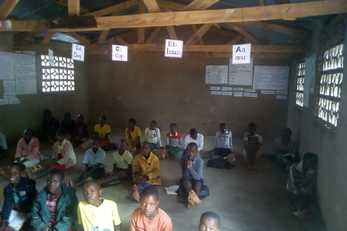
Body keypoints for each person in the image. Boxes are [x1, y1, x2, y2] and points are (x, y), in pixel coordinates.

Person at [0, 163, 36, 231]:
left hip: (28, 212)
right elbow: (7, 204)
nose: (12, 175)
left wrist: (30, 214)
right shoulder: (8, 189)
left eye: (15, 173)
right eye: (10, 173)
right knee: (3, 223)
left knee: (11, 228)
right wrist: (4, 220)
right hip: (16, 211)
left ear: (21, 173)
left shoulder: (28, 184)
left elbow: (35, 199)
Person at [287, 153, 318, 218]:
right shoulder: (294, 169)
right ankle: (297, 208)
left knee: (305, 190)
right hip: (295, 188)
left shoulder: (308, 170)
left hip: (298, 186)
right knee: (301, 191)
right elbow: (297, 186)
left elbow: (306, 185)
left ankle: (300, 209)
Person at [179, 142, 205, 208]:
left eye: (193, 151)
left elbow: (198, 178)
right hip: (187, 178)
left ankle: (191, 199)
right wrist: (186, 166)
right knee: (187, 184)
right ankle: (193, 198)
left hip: (198, 179)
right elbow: (185, 176)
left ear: (196, 152)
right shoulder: (184, 159)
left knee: (197, 185)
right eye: (188, 151)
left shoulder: (200, 161)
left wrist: (190, 168)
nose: (190, 153)